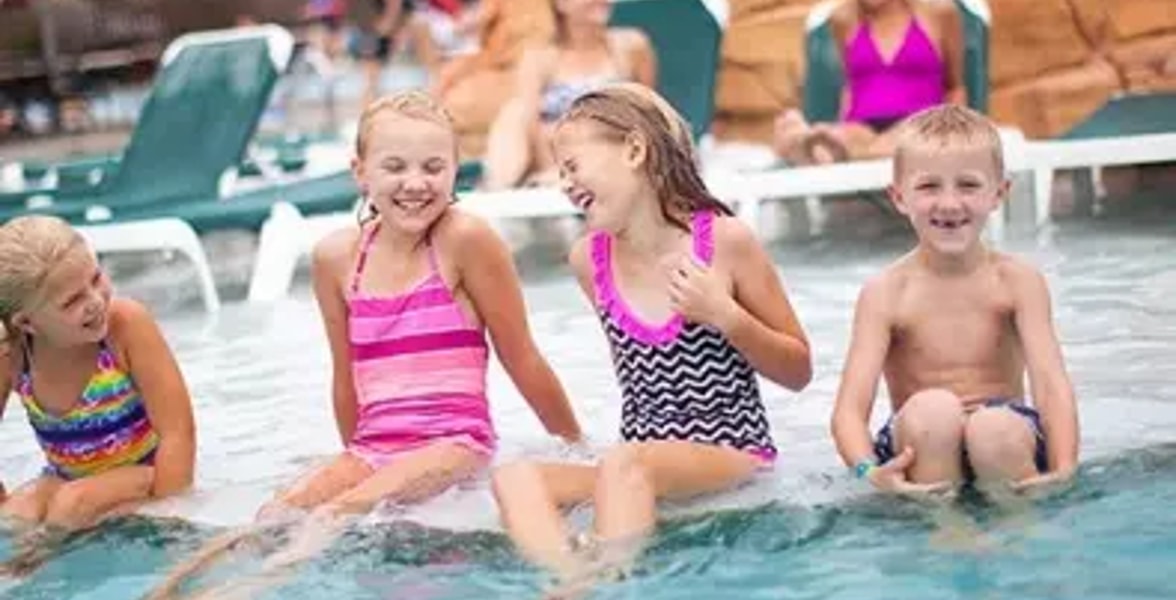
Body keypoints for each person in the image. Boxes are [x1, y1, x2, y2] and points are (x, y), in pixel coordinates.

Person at [144, 90, 583, 600]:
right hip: (374, 445)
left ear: (455, 171)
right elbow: (345, 374)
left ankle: (252, 589)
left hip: (454, 443)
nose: (415, 183)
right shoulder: (336, 260)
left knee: (339, 510)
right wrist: (350, 458)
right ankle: (171, 588)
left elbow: (521, 356)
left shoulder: (466, 240)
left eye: (433, 167)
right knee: (275, 513)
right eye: (394, 167)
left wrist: (573, 446)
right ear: (361, 172)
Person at [491, 84, 812, 586]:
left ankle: (605, 581)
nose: (565, 184)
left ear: (635, 150)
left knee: (627, 463)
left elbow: (798, 370)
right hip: (638, 464)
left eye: (572, 166)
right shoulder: (589, 260)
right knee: (516, 477)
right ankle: (570, 578)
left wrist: (726, 315)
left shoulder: (724, 242)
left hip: (730, 450)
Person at [829, 104, 1080, 502]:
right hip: (920, 442)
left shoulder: (1018, 282)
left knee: (993, 429)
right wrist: (868, 471)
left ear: (999, 193)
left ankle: (1022, 525)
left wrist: (1065, 469)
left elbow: (1051, 386)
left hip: (1005, 440)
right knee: (934, 412)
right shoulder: (886, 293)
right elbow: (849, 409)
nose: (949, 203)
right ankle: (944, 529)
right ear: (898, 197)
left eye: (968, 185)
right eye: (929, 186)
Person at [0, 216, 196, 575]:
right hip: (65, 475)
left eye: (95, 278)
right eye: (72, 300)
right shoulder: (12, 355)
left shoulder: (125, 325)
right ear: (26, 323)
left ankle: (30, 572)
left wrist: (170, 522)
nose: (95, 301)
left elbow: (178, 433)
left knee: (70, 505)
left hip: (144, 471)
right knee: (15, 514)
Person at [480, 0, 656, 190]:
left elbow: (648, 112)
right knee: (515, 114)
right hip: (557, 166)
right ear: (560, 4)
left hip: (618, 158)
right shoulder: (540, 58)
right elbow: (530, 124)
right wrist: (554, 173)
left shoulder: (631, 47)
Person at [773, 0, 965, 165]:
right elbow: (850, 85)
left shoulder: (939, 12)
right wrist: (843, 130)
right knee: (829, 139)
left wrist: (957, 134)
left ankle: (836, 152)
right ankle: (811, 143)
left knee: (907, 138)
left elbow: (955, 87)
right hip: (862, 126)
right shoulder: (842, 18)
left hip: (920, 123)